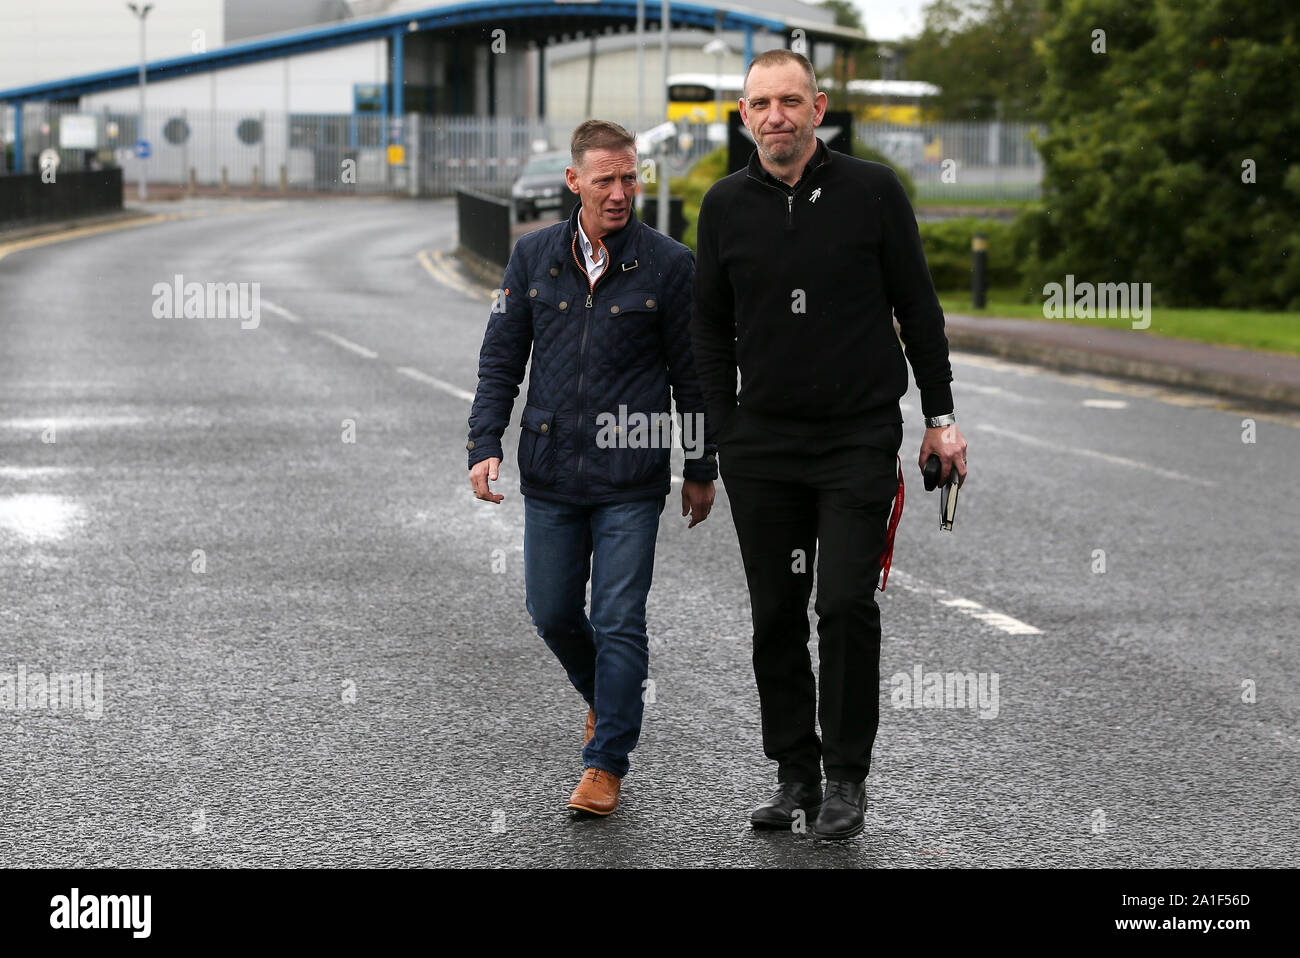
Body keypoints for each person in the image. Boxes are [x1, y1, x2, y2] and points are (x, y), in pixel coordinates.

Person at [689, 50, 969, 841]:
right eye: (758, 105)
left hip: (856, 436)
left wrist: (940, 418)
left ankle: (846, 779)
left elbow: (918, 305)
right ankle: (794, 775)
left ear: (817, 108)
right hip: (764, 446)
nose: (774, 117)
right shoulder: (723, 205)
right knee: (776, 612)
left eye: (789, 102)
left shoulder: (873, 191)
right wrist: (724, 427)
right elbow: (707, 324)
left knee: (843, 603)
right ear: (743, 116)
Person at [467, 119, 717, 817]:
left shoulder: (669, 263)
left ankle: (606, 761)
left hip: (630, 477)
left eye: (629, 177)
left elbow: (691, 375)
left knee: (617, 617)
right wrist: (483, 442)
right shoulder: (532, 258)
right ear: (572, 181)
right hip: (550, 469)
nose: (619, 191)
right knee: (550, 612)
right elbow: (501, 356)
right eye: (605, 178)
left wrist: (701, 465)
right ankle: (605, 701)